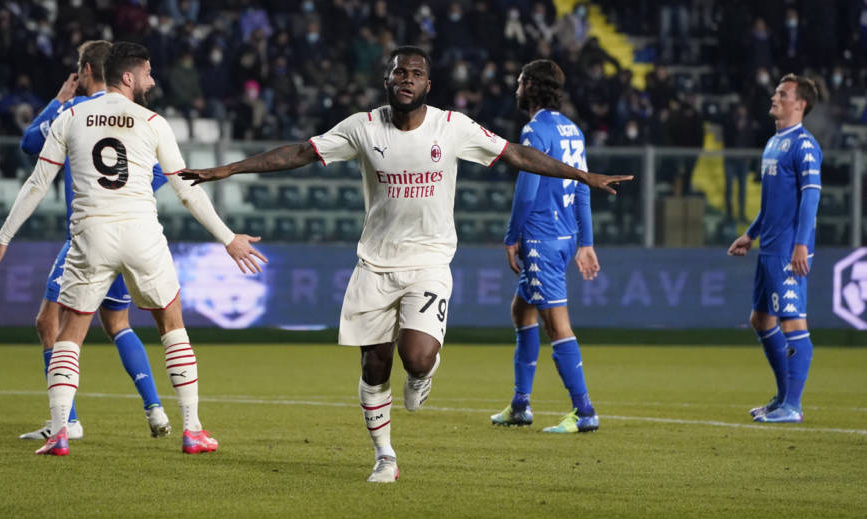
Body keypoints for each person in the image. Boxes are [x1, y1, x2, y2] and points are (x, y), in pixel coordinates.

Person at [180, 46, 630, 482]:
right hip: (375, 264)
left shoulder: (452, 127)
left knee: (416, 357)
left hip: (429, 261)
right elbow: (299, 152)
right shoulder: (362, 127)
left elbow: (516, 153)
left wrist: (581, 176)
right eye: (400, 72)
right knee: (374, 367)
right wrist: (229, 169)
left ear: (428, 84)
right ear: (387, 79)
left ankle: (422, 375)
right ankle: (385, 456)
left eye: (416, 74)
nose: (407, 79)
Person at [0, 42, 267, 455]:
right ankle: (192, 429)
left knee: (69, 332)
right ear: (128, 77)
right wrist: (228, 238)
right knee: (172, 323)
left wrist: (1, 240)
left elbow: (37, 184)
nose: (152, 81)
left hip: (91, 234)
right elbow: (186, 191)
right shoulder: (153, 121)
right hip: (141, 233)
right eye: (148, 73)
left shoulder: (71, 116)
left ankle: (60, 432)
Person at [18, 40, 171, 442]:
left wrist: (57, 99)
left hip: (89, 236)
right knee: (118, 322)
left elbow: (30, 143)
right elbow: (161, 172)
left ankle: (66, 421)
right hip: (131, 232)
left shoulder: (75, 111)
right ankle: (155, 408)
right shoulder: (137, 116)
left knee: (50, 322)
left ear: (85, 70)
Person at [490, 59, 600, 434]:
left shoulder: (534, 130)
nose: (516, 88)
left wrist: (512, 236)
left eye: (520, 81)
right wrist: (586, 241)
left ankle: (584, 411)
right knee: (522, 310)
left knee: (556, 324)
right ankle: (520, 404)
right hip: (565, 235)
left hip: (541, 237)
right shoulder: (572, 130)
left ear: (532, 87)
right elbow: (583, 186)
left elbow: (527, 190)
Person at [728, 73, 821, 423]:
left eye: (783, 94)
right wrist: (750, 234)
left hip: (788, 248)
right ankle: (782, 398)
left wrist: (801, 244)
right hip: (769, 246)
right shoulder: (773, 143)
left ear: (800, 104)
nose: (775, 97)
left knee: (793, 321)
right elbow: (770, 203)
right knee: (761, 319)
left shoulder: (805, 145)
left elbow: (810, 197)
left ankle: (792, 406)